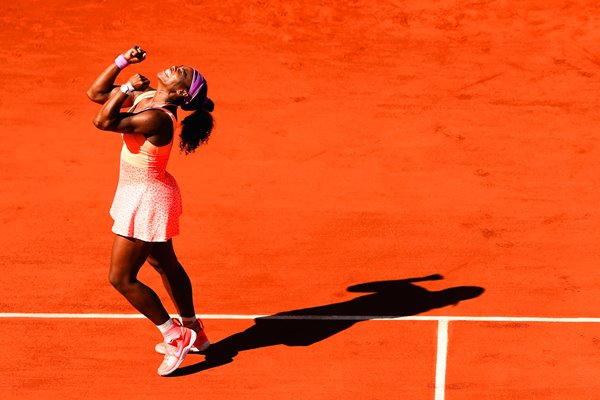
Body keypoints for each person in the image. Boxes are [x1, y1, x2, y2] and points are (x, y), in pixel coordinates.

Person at [86, 45, 214, 376]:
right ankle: (194, 328)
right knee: (165, 263)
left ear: (182, 92)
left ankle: (175, 334)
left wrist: (127, 88)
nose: (177, 66)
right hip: (147, 191)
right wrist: (121, 63)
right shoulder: (150, 97)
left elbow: (103, 121)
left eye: (182, 72)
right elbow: (96, 93)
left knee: (121, 278)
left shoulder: (157, 117)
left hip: (145, 198)